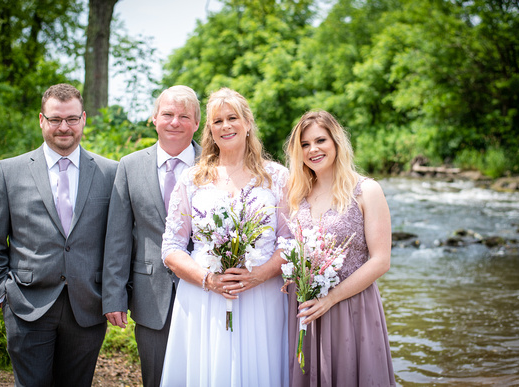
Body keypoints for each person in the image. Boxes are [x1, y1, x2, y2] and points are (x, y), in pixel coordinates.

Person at [0, 83, 118, 387]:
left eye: (71, 119)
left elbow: (119, 242)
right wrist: (3, 294)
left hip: (87, 307)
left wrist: (114, 294)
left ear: (83, 119)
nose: (63, 127)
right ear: (42, 120)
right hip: (27, 304)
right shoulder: (9, 171)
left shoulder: (111, 173)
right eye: (55, 119)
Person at [159, 87, 290, 386]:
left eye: (232, 118)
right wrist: (208, 279)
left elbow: (290, 240)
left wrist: (257, 275)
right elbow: (172, 246)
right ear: (209, 130)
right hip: (203, 297)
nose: (226, 126)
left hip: (262, 296)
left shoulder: (277, 177)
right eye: (217, 121)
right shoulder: (193, 179)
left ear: (247, 124)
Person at [285, 110, 395, 386]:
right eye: (305, 145)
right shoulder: (297, 195)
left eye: (320, 140)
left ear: (336, 142)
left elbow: (381, 260)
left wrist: (331, 298)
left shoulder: (366, 191)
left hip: (351, 306)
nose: (313, 150)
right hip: (305, 308)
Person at [102, 85, 201, 387]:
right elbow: (117, 237)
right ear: (154, 118)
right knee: (155, 378)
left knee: (205, 374)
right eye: (167, 114)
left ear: (197, 123)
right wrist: (113, 295)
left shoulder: (214, 164)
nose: (175, 122)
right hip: (149, 293)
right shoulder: (130, 166)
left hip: (204, 291)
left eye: (184, 116)